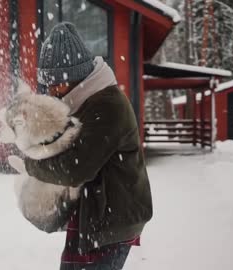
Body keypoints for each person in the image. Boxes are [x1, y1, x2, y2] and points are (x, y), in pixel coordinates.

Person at [23, 22, 153, 269]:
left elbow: (76, 168)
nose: (52, 91)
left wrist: (32, 163)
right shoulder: (85, 100)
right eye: (47, 84)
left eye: (56, 83)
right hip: (96, 213)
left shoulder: (107, 105)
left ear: (76, 75)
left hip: (112, 220)